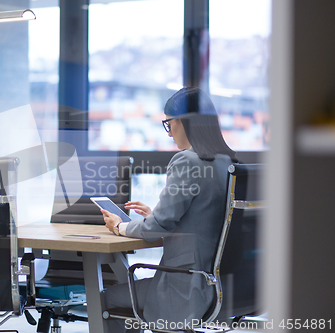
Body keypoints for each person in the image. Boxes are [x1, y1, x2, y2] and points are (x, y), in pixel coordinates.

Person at [101, 87, 238, 332]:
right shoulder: (226, 162)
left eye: (168, 123)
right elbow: (202, 219)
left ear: (184, 121)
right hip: (219, 288)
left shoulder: (187, 161)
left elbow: (157, 229)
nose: (169, 133)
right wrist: (155, 215)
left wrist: (119, 227)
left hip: (185, 290)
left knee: (103, 298)